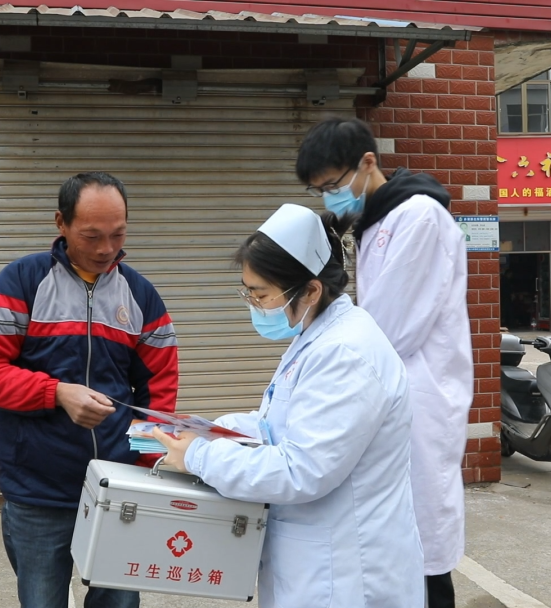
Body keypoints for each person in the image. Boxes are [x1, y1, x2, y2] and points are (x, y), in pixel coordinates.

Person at [153, 203, 424, 608]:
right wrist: (211, 430)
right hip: (316, 561)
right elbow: (278, 424)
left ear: (311, 291)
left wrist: (199, 456)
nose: (252, 303)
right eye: (247, 291)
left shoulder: (345, 353)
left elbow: (302, 469)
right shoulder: (318, 337)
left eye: (261, 294)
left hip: (346, 574)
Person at [0, 171, 178, 608]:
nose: (106, 249)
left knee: (118, 602)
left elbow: (158, 392)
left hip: (118, 487)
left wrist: (148, 468)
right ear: (61, 223)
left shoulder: (140, 294)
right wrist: (56, 393)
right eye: (92, 236)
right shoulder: (21, 282)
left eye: (117, 235)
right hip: (38, 491)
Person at [297, 117, 474, 608]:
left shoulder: (419, 217)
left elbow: (390, 328)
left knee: (422, 549)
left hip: (420, 397)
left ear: (367, 163)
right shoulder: (375, 221)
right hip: (394, 394)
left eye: (333, 185)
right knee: (395, 546)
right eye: (320, 191)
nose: (330, 198)